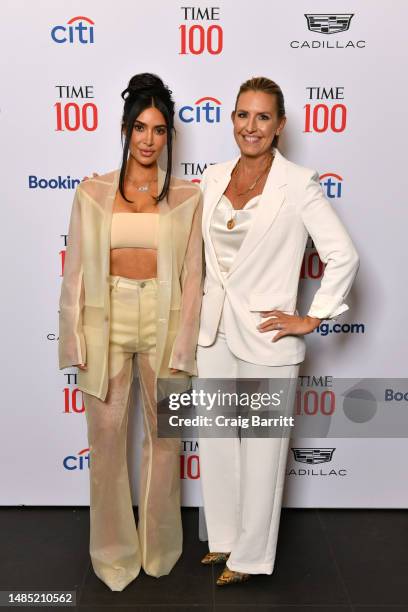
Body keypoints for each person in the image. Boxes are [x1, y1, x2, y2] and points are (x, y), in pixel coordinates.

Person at [196, 76, 359, 586]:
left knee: (264, 450)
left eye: (263, 117)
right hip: (213, 330)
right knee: (218, 439)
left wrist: (312, 316)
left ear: (280, 125)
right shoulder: (212, 176)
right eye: (243, 115)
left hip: (269, 337)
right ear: (233, 120)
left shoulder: (299, 184)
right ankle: (223, 539)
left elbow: (343, 254)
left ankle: (250, 557)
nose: (252, 126)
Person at [58, 73, 203, 591]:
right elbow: (74, 271)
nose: (148, 139)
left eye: (159, 130)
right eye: (140, 127)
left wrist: (186, 345)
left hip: (163, 324)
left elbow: (194, 281)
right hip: (109, 320)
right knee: (105, 440)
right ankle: (114, 553)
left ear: (169, 137)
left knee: (166, 440)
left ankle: (160, 547)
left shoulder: (188, 196)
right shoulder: (92, 192)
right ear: (124, 129)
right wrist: (72, 341)